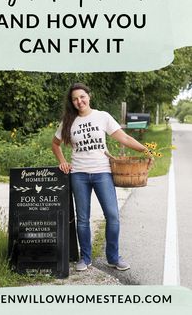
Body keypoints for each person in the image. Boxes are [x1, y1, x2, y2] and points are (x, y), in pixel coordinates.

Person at [52, 82, 148, 272]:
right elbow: (55, 144)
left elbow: (125, 138)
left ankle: (113, 258)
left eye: (82, 96)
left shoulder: (102, 117)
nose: (79, 101)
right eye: (75, 99)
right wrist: (62, 161)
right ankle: (85, 258)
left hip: (102, 172)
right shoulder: (68, 122)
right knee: (82, 218)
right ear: (72, 102)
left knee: (112, 216)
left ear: (89, 96)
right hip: (78, 174)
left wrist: (147, 150)